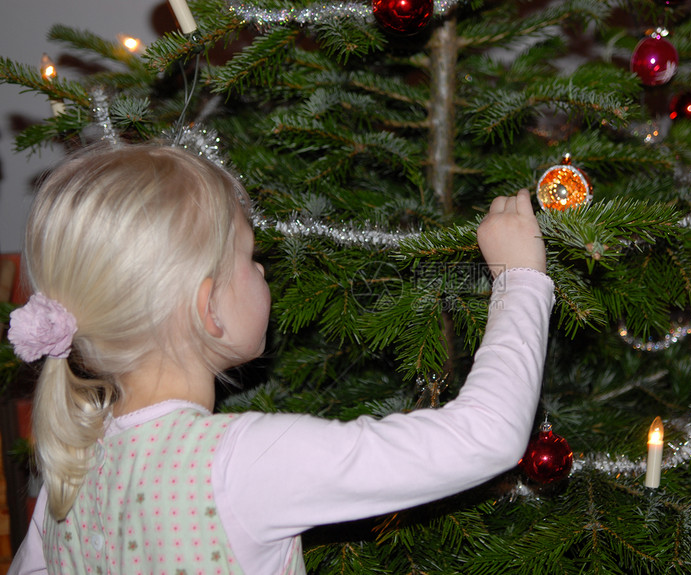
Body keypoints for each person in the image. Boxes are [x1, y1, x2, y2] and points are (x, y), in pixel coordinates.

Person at [7, 143, 554, 574]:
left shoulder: (76, 459)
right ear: (208, 310)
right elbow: (486, 436)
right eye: (249, 257)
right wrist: (520, 278)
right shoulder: (240, 464)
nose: (263, 270)